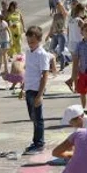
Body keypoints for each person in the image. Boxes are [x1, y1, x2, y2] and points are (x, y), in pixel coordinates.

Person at [22, 26, 50, 155]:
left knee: (38, 118)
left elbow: (45, 75)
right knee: (32, 116)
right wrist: (23, 86)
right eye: (28, 41)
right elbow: (29, 71)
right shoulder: (29, 52)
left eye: (32, 42)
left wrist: (40, 95)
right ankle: (36, 141)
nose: (30, 44)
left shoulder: (42, 54)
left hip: (36, 90)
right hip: (29, 88)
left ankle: (39, 143)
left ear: (39, 40)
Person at [46, 2, 68, 71]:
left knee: (61, 52)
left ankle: (62, 67)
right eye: (57, 7)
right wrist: (48, 35)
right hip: (55, 35)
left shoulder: (63, 15)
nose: (58, 8)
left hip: (61, 35)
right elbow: (52, 26)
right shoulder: (55, 15)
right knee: (50, 50)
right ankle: (51, 66)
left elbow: (64, 11)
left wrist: (60, 4)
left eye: (59, 7)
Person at [0, 9, 11, 75]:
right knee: (1, 55)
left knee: (4, 55)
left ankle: (6, 70)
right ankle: (0, 69)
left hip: (5, 41)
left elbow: (8, 30)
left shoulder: (4, 23)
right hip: (2, 41)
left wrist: (10, 39)